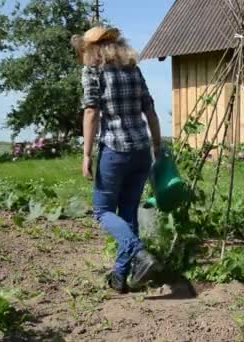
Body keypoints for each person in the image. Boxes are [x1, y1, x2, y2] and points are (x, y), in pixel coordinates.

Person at [71, 27, 163, 293]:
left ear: (91, 49)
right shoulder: (132, 68)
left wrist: (86, 153)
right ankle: (121, 278)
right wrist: (156, 146)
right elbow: (150, 109)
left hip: (115, 149)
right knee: (128, 212)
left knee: (102, 212)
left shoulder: (93, 70)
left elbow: (91, 111)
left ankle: (140, 253)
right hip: (141, 150)